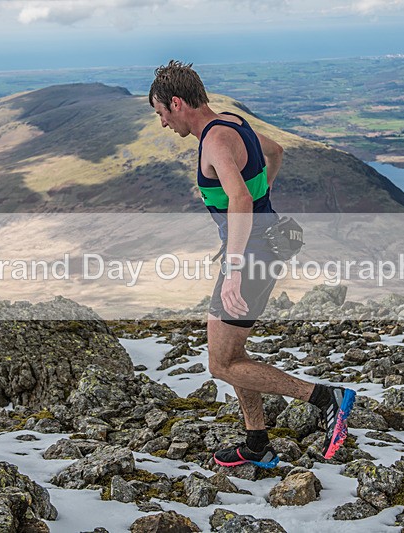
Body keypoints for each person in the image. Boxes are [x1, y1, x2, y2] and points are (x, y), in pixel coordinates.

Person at [148, 60, 355, 468]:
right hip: (263, 243)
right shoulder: (232, 122)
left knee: (221, 364)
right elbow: (274, 151)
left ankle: (326, 398)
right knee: (233, 354)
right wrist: (264, 197)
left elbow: (240, 200)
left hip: (254, 256)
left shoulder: (214, 143)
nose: (162, 124)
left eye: (161, 113)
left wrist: (236, 266)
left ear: (176, 102)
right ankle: (257, 441)